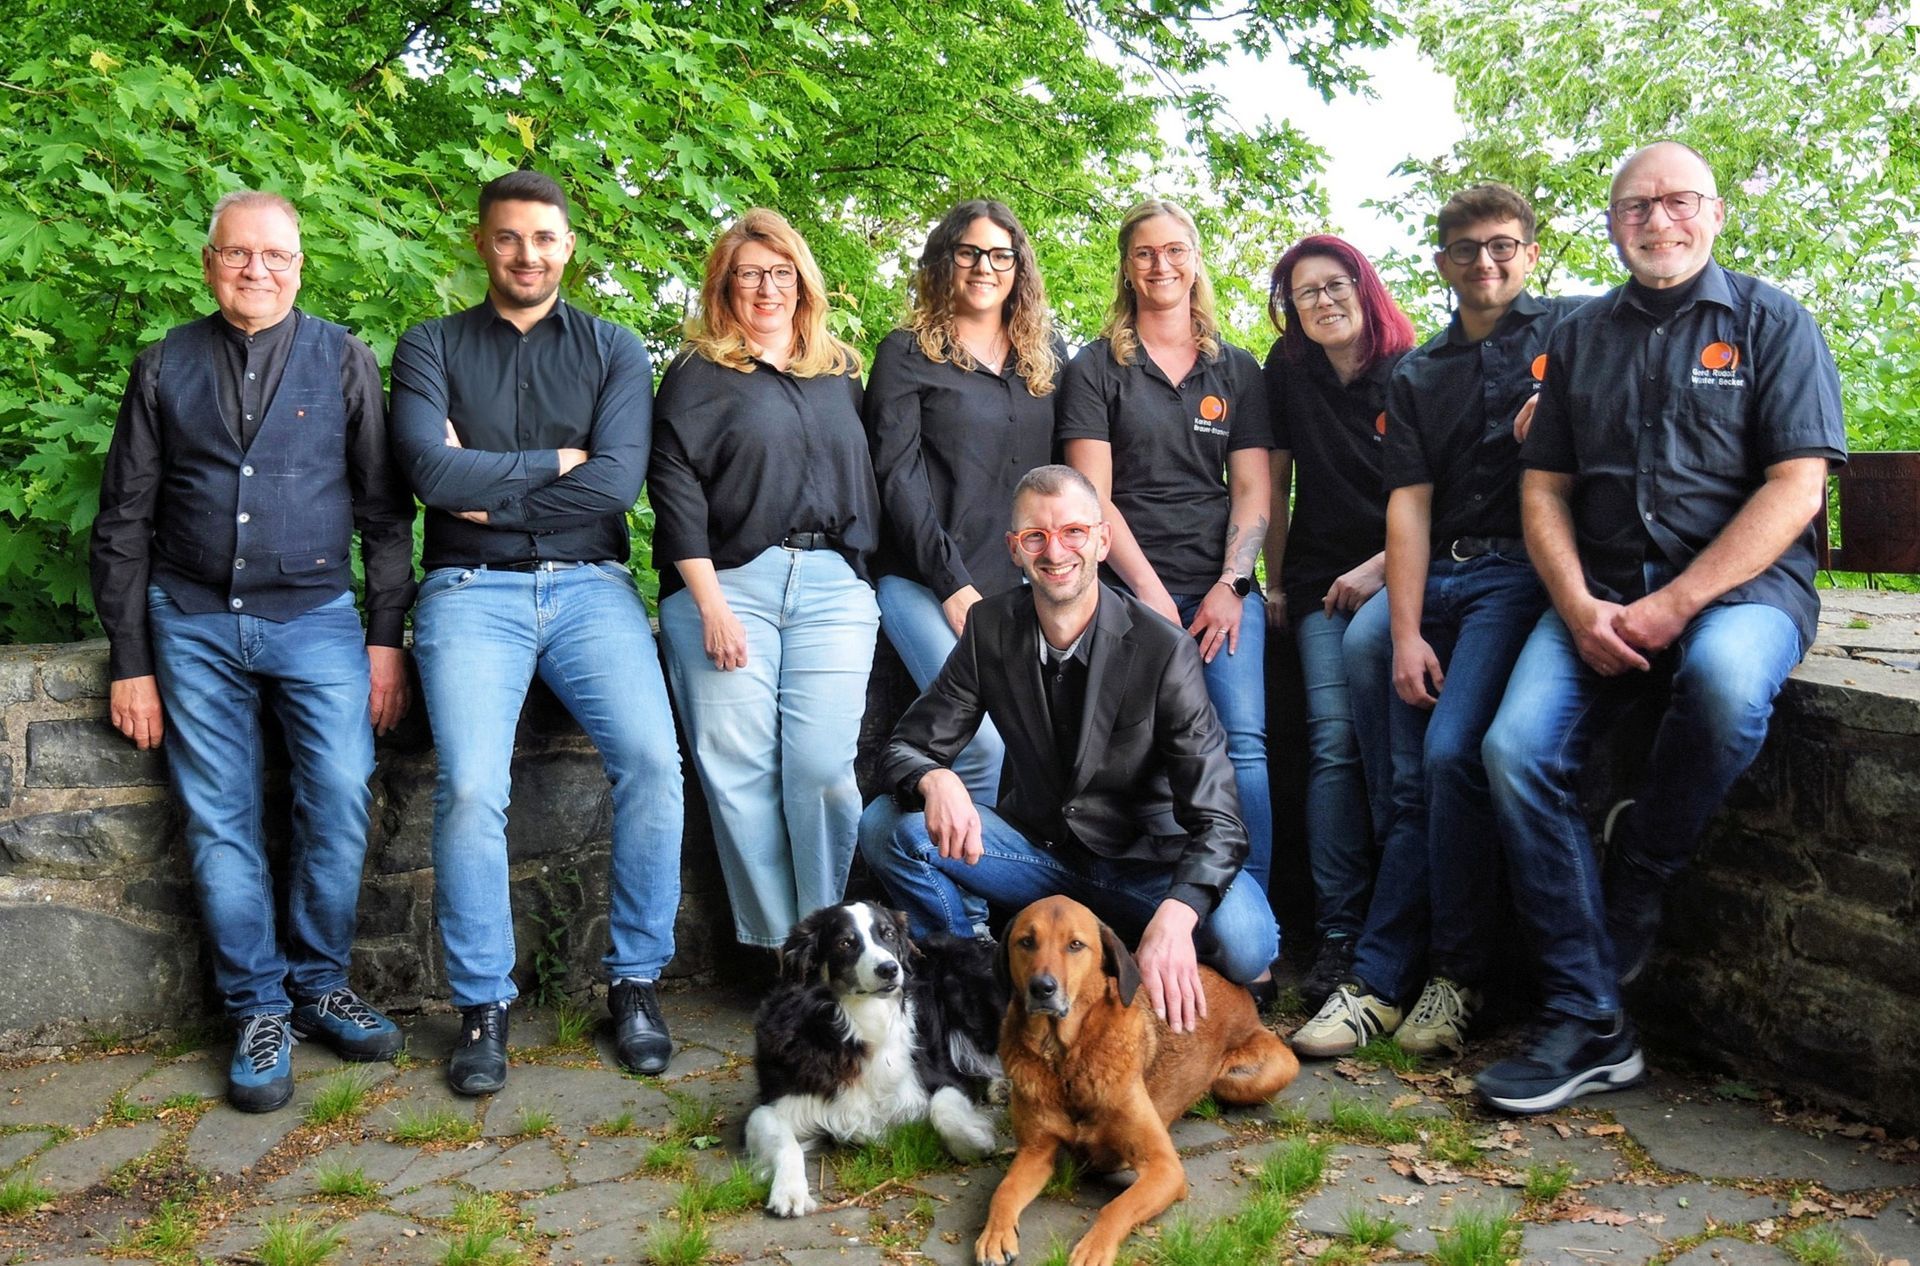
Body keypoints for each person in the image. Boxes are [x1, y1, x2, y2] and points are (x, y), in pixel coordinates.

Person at [1477, 142, 1845, 1113]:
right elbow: (1544, 489)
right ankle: (1590, 1018)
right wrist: (1576, 604)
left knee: (1723, 684)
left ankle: (1640, 864)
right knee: (1514, 750)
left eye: (1679, 201)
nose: (1658, 220)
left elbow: (1796, 488)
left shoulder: (1772, 321)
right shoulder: (1581, 336)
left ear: (1715, 213)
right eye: (1636, 206)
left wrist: (1676, 603)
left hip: (1741, 593)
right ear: (1613, 225)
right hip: (1597, 593)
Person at [90, 189, 415, 1112]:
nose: (256, 270)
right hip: (190, 622)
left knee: (340, 794)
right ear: (208, 264)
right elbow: (123, 521)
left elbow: (386, 514)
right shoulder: (164, 365)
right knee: (217, 817)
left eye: (276, 255)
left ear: (300, 267)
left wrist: (384, 640)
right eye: (237, 253)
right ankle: (257, 1008)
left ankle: (319, 985)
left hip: (317, 619)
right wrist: (130, 660)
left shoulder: (344, 358)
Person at [389, 170, 684, 1095]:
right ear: (481, 242)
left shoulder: (613, 349)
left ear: (568, 247)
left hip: (593, 588)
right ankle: (484, 1005)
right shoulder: (430, 345)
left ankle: (635, 982)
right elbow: (428, 474)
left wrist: (486, 487)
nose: (528, 254)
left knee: (655, 763)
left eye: (545, 238)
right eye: (509, 237)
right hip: (468, 591)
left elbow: (617, 484)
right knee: (473, 787)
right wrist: (555, 461)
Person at [1293, 185, 1581, 1057]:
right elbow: (1409, 509)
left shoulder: (1574, 336)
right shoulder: (1421, 373)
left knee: (1452, 753)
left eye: (1502, 246)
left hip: (1518, 577)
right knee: (1407, 768)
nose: (1485, 262)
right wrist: (1408, 630)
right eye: (1466, 249)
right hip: (1440, 576)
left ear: (1530, 252)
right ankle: (1389, 977)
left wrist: (1567, 413)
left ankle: (1450, 974)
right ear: (1442, 262)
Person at [859, 464, 1280, 1034]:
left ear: (1103, 540)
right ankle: (974, 978)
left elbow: (1220, 820)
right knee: (887, 828)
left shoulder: (1162, 648)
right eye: (1036, 536)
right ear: (1015, 548)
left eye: (1073, 532)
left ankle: (1140, 951)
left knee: (1249, 944)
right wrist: (935, 778)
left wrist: (1178, 914)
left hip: (1149, 866)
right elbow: (906, 748)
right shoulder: (990, 628)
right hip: (1040, 859)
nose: (1055, 552)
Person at [649, 208, 881, 954]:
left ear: (803, 283)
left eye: (782, 273)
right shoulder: (694, 374)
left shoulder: (841, 371)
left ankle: (827, 938)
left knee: (823, 772)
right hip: (726, 586)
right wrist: (710, 605)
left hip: (833, 588)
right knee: (740, 775)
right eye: (749, 274)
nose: (767, 288)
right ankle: (787, 956)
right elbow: (674, 489)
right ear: (724, 286)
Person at [1057, 199, 1274, 909]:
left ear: (1195, 260)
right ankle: (1145, 910)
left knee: (1242, 745)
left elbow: (1253, 490)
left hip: (1220, 593)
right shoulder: (1095, 368)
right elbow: (1092, 498)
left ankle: (1251, 914)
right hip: (1125, 593)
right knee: (1134, 752)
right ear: (1127, 267)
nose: (1161, 265)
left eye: (1175, 250)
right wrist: (1150, 596)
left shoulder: (1235, 368)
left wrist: (1232, 584)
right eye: (1145, 253)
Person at [1261, 234, 1417, 1008]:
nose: (1321, 301)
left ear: (1364, 286)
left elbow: (1436, 495)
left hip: (1403, 576)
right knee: (1331, 738)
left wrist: (1380, 567)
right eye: (1304, 293)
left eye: (1334, 285)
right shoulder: (1287, 370)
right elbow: (1274, 483)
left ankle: (1404, 927)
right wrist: (1275, 583)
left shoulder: (1411, 371)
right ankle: (1339, 932)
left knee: (1397, 746)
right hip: (1320, 581)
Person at [866, 199, 1063, 807]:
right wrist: (951, 585)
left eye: (1001, 255)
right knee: (981, 742)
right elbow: (896, 478)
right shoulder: (906, 353)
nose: (984, 267)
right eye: (969, 252)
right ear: (944, 261)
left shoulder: (1045, 359)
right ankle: (954, 868)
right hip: (923, 581)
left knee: (1045, 748)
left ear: (1018, 268)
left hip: (1020, 585)